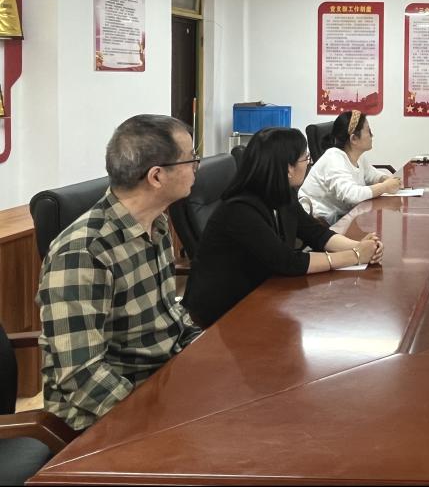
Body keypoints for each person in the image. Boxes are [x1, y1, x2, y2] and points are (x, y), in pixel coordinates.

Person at [36, 114, 203, 430]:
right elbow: (82, 376)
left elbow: (169, 315)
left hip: (162, 383)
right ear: (156, 176)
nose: (196, 167)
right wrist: (158, 418)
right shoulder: (84, 252)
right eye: (191, 159)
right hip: (107, 416)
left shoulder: (156, 224)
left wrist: (206, 348)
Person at [183, 127, 382, 327]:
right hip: (225, 313)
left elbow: (315, 232)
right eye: (306, 158)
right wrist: (355, 256)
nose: (308, 164)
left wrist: (359, 246)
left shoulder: (283, 194)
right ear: (288, 168)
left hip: (262, 292)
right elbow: (287, 261)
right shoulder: (240, 210)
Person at [298, 110, 401, 224]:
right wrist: (385, 187)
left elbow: (371, 174)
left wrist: (386, 179)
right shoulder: (333, 158)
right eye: (369, 131)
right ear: (354, 139)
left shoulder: (357, 157)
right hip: (317, 222)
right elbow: (351, 195)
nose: (372, 135)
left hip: (341, 217)